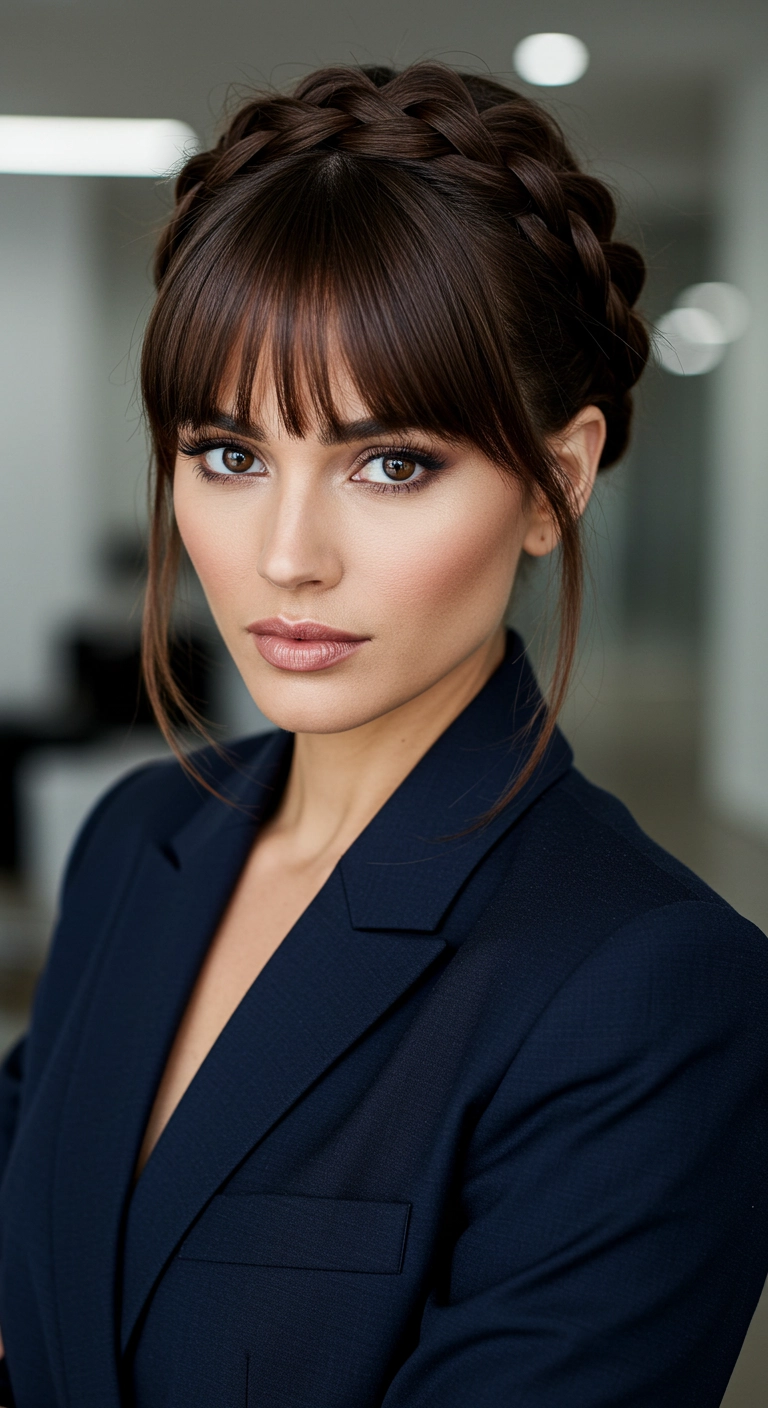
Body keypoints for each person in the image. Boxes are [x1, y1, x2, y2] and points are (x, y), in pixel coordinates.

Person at [0, 62, 766, 1408]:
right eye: (229, 455)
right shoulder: (140, 840)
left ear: (557, 481)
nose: (286, 558)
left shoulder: (655, 991)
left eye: (392, 463)